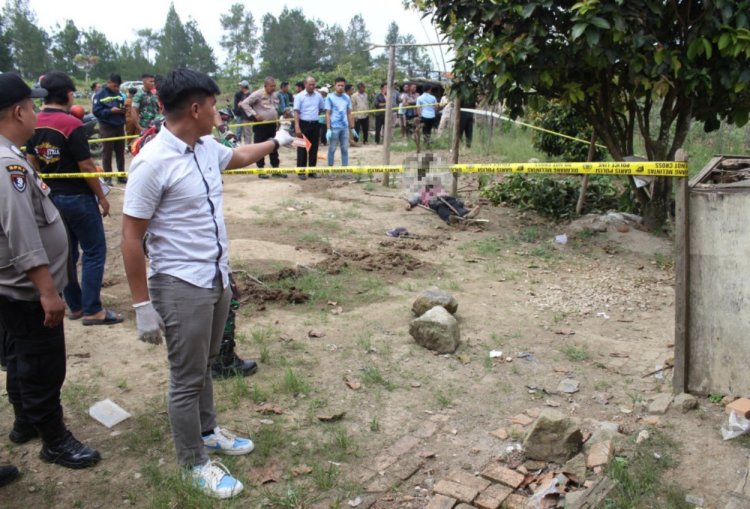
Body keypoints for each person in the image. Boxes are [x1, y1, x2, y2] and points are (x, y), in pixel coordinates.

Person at [121, 67, 294, 499]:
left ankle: (207, 429)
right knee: (185, 375)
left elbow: (236, 158)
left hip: (214, 274)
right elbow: (129, 236)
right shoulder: (152, 162)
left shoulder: (204, 147)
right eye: (214, 105)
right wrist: (142, 304)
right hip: (179, 283)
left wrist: (277, 142)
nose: (219, 112)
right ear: (195, 108)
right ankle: (193, 461)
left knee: (207, 362)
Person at [0, 72, 101, 472]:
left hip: (10, 286)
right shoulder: (9, 165)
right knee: (42, 362)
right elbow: (21, 232)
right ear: (19, 111)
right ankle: (53, 439)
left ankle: (25, 420)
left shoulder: (12, 156)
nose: (36, 115)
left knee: (17, 353)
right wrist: (47, 289)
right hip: (26, 290)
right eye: (32, 107)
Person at [26, 71, 123, 327]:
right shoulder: (71, 124)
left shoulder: (33, 122)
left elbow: (31, 161)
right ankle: (93, 309)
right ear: (69, 95)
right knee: (94, 251)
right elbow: (86, 166)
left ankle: (77, 306)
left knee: (65, 253)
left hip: (51, 198)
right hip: (78, 197)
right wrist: (101, 196)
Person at [240, 77, 281, 178]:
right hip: (261, 126)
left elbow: (274, 108)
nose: (273, 88)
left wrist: (277, 120)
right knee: (260, 148)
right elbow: (244, 104)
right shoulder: (258, 94)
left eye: (274, 86)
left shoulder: (274, 95)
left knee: (273, 146)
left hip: (272, 125)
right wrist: (254, 114)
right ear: (265, 85)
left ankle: (275, 169)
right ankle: (261, 171)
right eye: (271, 86)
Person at [93, 73, 127, 184]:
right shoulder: (100, 95)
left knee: (120, 152)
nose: (116, 88)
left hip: (119, 125)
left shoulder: (119, 94)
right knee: (107, 153)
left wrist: (123, 110)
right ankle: (108, 178)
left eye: (118, 86)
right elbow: (96, 111)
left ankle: (121, 175)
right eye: (115, 86)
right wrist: (110, 111)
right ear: (109, 82)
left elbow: (122, 105)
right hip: (107, 126)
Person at [406, 176, 480, 223]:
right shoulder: (421, 192)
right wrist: (410, 204)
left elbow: (450, 198)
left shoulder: (439, 189)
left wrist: (462, 203)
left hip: (445, 198)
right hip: (432, 201)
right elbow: (414, 198)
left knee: (453, 202)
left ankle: (466, 214)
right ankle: (449, 218)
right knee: (440, 206)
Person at [293, 76, 325, 180]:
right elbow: (296, 112)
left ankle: (312, 171)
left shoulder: (319, 96)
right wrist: (297, 126)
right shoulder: (299, 96)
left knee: (313, 148)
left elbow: (321, 109)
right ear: (305, 84)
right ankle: (301, 172)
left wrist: (313, 117)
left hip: (315, 124)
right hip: (302, 124)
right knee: (302, 149)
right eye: (310, 84)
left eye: (313, 84)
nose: (312, 86)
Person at [325, 77, 357, 167]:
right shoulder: (329, 97)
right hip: (334, 127)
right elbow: (327, 113)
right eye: (338, 85)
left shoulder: (347, 97)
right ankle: (330, 170)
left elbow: (349, 113)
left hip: (344, 128)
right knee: (332, 149)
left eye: (342, 85)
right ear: (335, 85)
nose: (340, 87)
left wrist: (352, 128)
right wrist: (328, 129)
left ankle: (345, 169)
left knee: (345, 149)